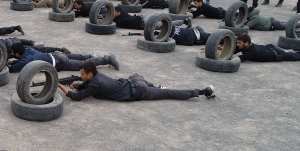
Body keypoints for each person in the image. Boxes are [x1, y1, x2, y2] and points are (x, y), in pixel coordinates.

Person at [58, 61, 216, 102]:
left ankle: (202, 92)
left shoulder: (94, 83)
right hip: (134, 79)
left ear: (91, 74)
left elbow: (76, 97)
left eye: (82, 74)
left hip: (138, 91)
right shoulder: (96, 78)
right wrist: (78, 84)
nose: (80, 75)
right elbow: (86, 87)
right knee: (152, 85)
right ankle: (156, 86)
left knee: (168, 93)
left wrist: (59, 85)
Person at [8, 42, 119, 73]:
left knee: (85, 64)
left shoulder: (25, 60)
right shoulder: (28, 50)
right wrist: (13, 61)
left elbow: (12, 69)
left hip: (59, 62)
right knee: (80, 57)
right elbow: (20, 60)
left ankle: (107, 59)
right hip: (56, 54)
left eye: (13, 53)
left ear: (17, 54)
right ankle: (93, 56)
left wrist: (6, 63)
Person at [0, 28, 68, 56]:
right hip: (10, 40)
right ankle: (32, 42)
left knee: (37, 50)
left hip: (11, 47)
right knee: (34, 46)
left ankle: (59, 50)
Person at [234, 33, 300, 62]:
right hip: (269, 48)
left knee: (297, 56)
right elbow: (236, 49)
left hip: (276, 54)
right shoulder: (247, 46)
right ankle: (289, 50)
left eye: (239, 42)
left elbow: (238, 59)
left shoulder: (252, 52)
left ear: (246, 43)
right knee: (290, 52)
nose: (237, 44)